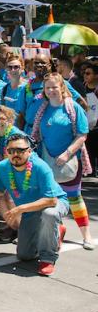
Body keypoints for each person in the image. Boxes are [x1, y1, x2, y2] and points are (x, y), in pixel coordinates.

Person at [0, 134, 70, 276]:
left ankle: (48, 258)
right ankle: (54, 233)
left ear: (29, 151)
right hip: (30, 210)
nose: (15, 154)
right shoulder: (2, 168)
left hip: (54, 203)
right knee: (24, 255)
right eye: (11, 151)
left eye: (20, 150)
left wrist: (20, 209)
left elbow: (51, 200)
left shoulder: (41, 167)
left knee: (49, 214)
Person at [29, 74, 93, 249]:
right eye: (47, 87)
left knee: (74, 198)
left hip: (70, 161)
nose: (50, 91)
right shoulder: (42, 108)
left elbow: (82, 135)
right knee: (50, 199)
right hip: (46, 160)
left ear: (62, 87)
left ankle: (86, 235)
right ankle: (56, 232)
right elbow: (35, 134)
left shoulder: (73, 108)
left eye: (54, 87)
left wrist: (67, 154)